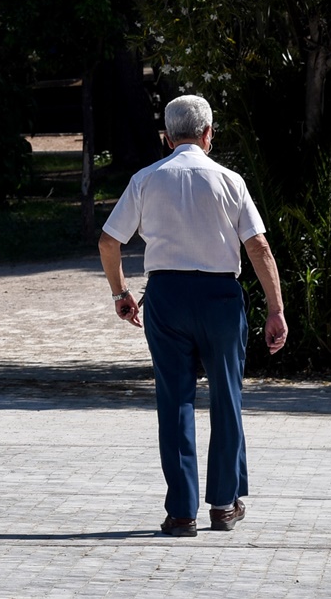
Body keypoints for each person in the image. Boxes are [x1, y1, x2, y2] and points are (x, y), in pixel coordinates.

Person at [98, 95, 288, 537]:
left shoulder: (146, 179)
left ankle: (181, 513)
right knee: (227, 396)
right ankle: (224, 505)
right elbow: (258, 247)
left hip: (166, 296)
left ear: (166, 138)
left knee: (175, 399)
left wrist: (120, 293)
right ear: (209, 134)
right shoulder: (229, 180)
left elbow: (109, 242)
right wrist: (275, 310)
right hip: (220, 295)